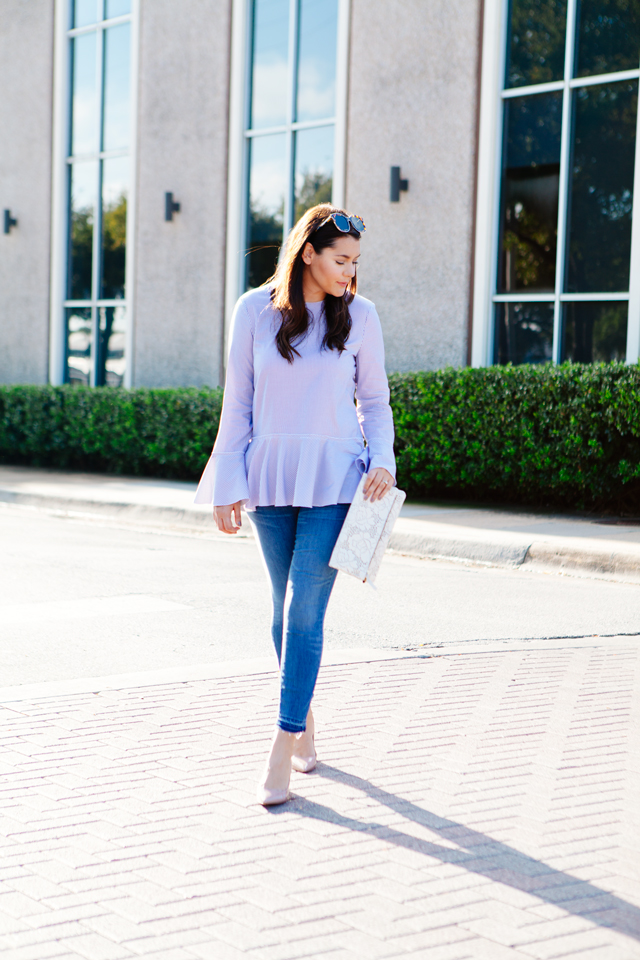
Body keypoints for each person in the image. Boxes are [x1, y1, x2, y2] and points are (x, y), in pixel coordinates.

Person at [195, 203, 396, 805]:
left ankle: (281, 746)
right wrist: (225, 481)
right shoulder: (253, 311)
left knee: (304, 612)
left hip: (337, 480)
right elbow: (238, 403)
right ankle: (305, 719)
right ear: (308, 253)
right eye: (340, 260)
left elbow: (375, 401)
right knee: (281, 615)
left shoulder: (361, 315)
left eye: (355, 262)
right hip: (270, 477)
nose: (349, 272)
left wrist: (383, 459)